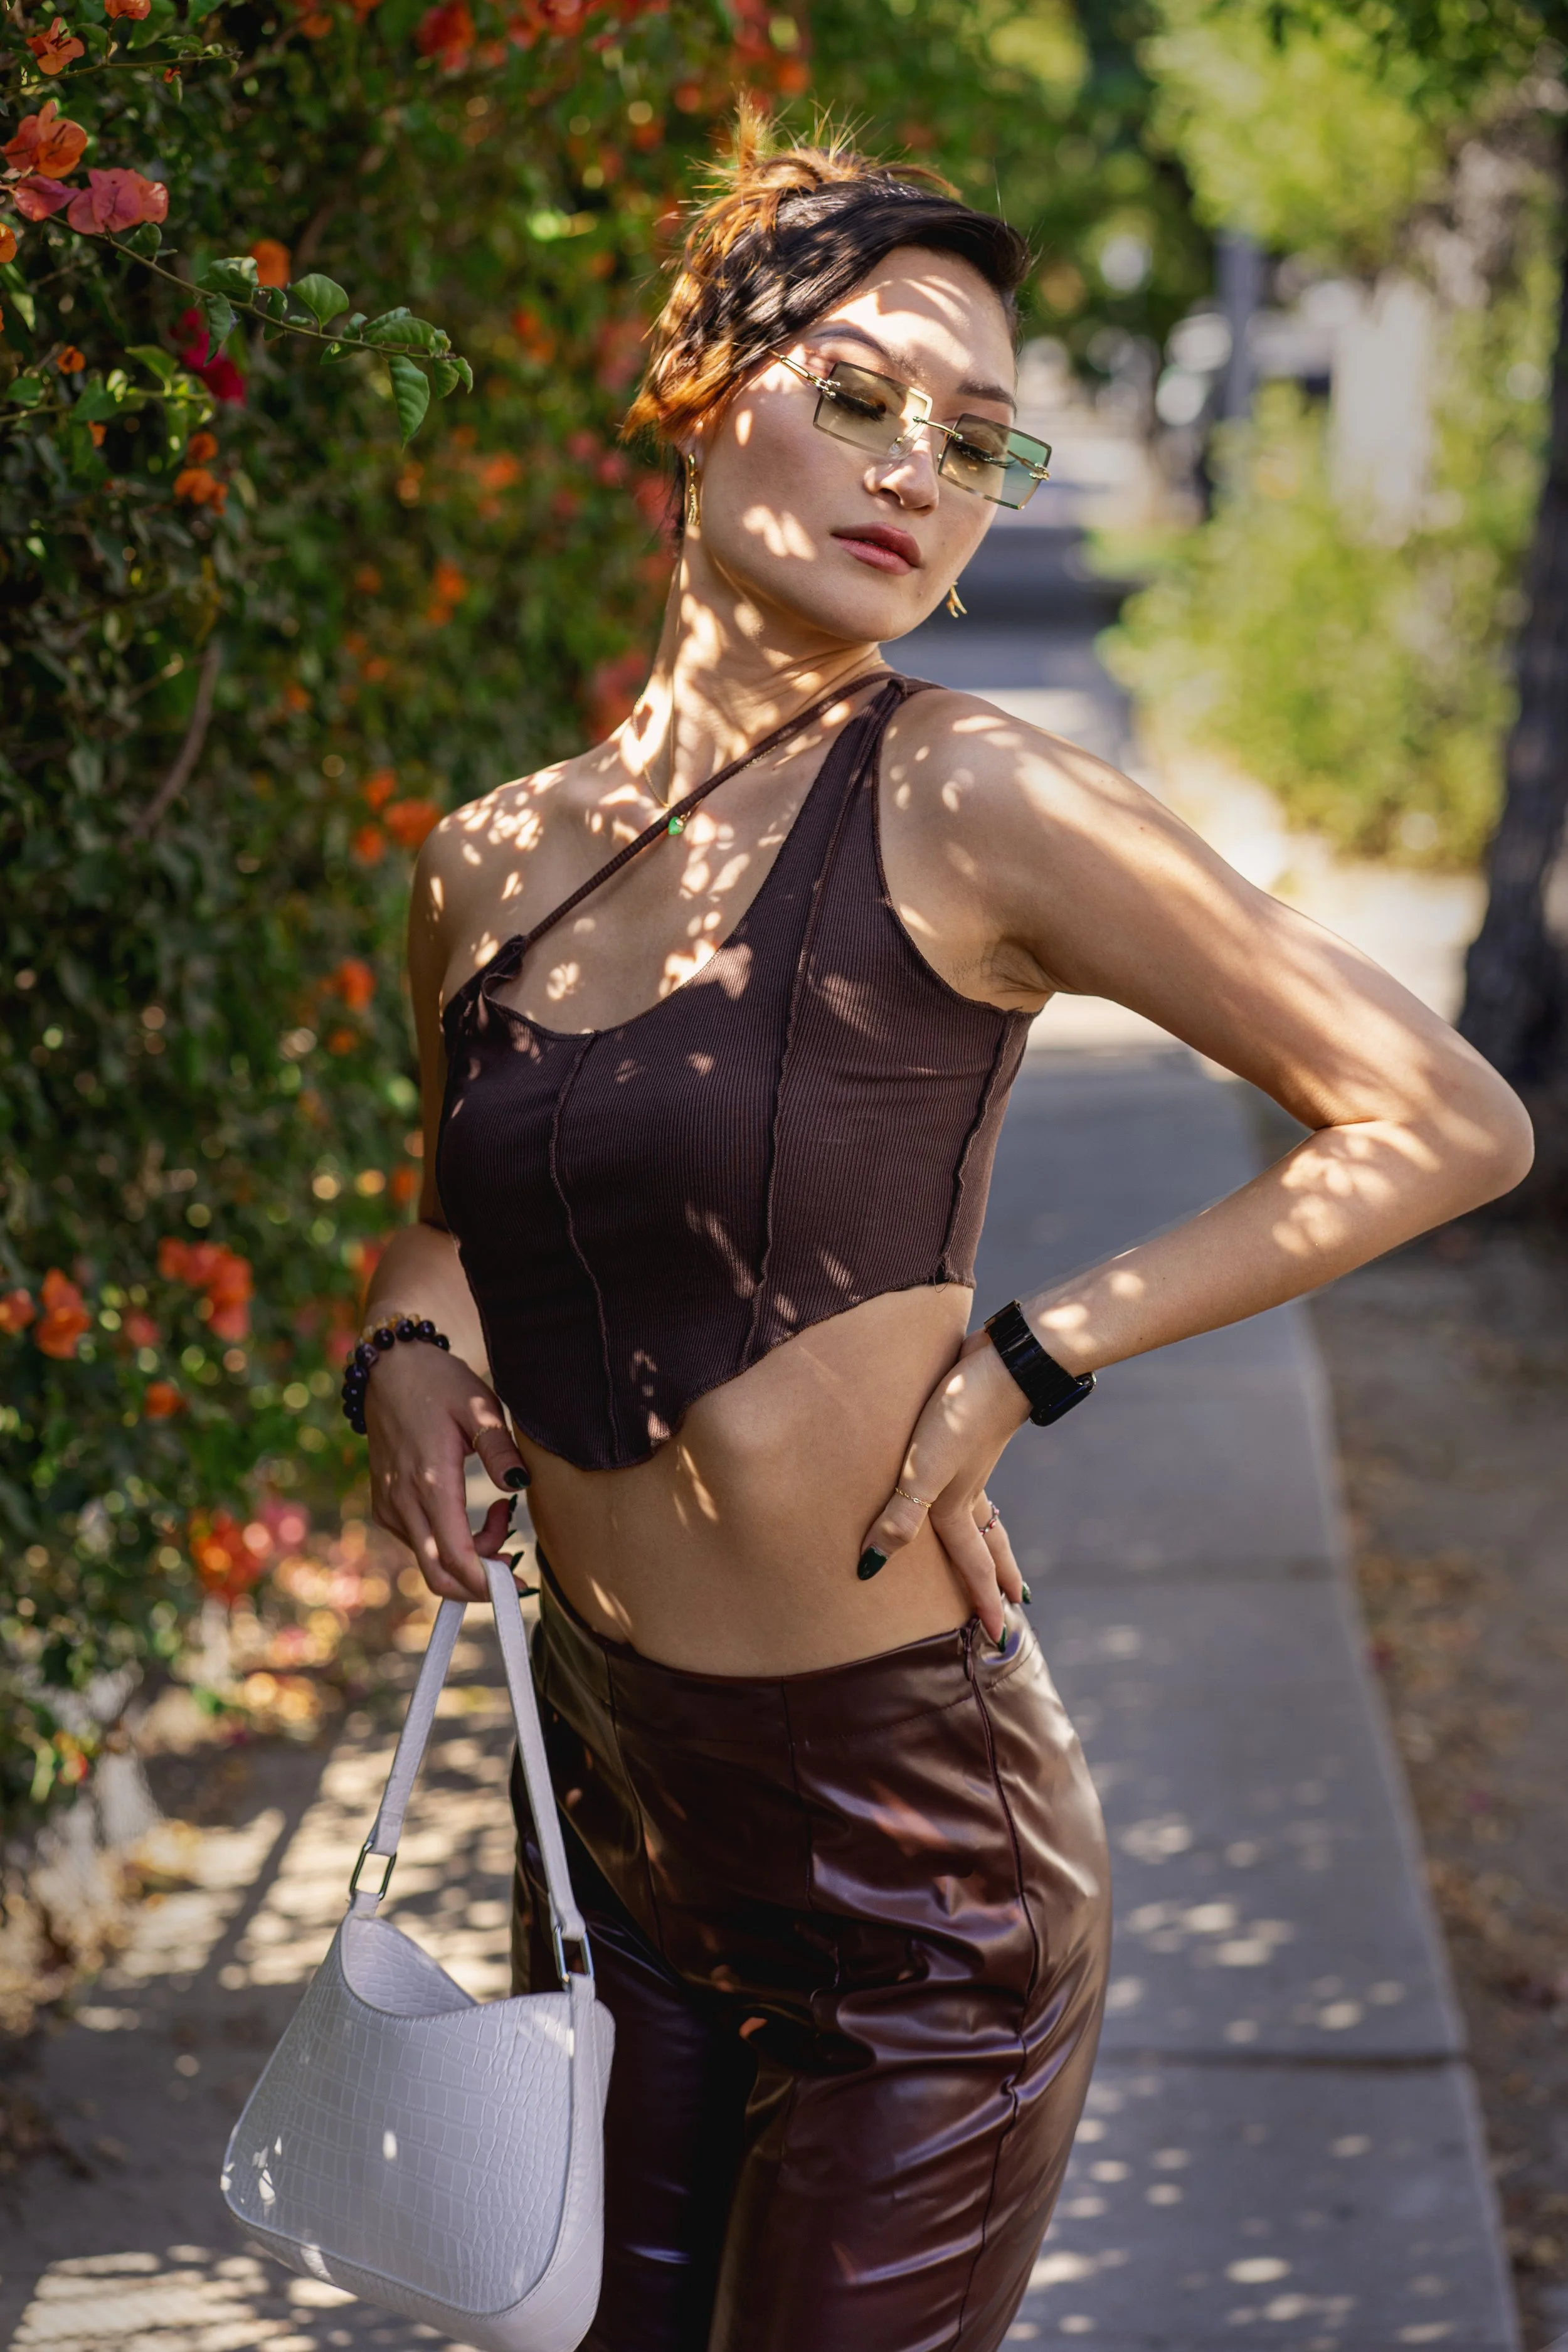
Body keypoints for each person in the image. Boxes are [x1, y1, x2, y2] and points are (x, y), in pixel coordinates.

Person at [352, 115, 1533, 2352]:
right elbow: (453, 1223)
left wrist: (1025, 1360)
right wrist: (405, 1362)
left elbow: (1439, 1118)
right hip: (603, 1809)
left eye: (976, 440)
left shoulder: (971, 794)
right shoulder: (489, 863)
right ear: (702, 388)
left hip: (913, 1879)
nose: (919, 469)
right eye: (863, 394)